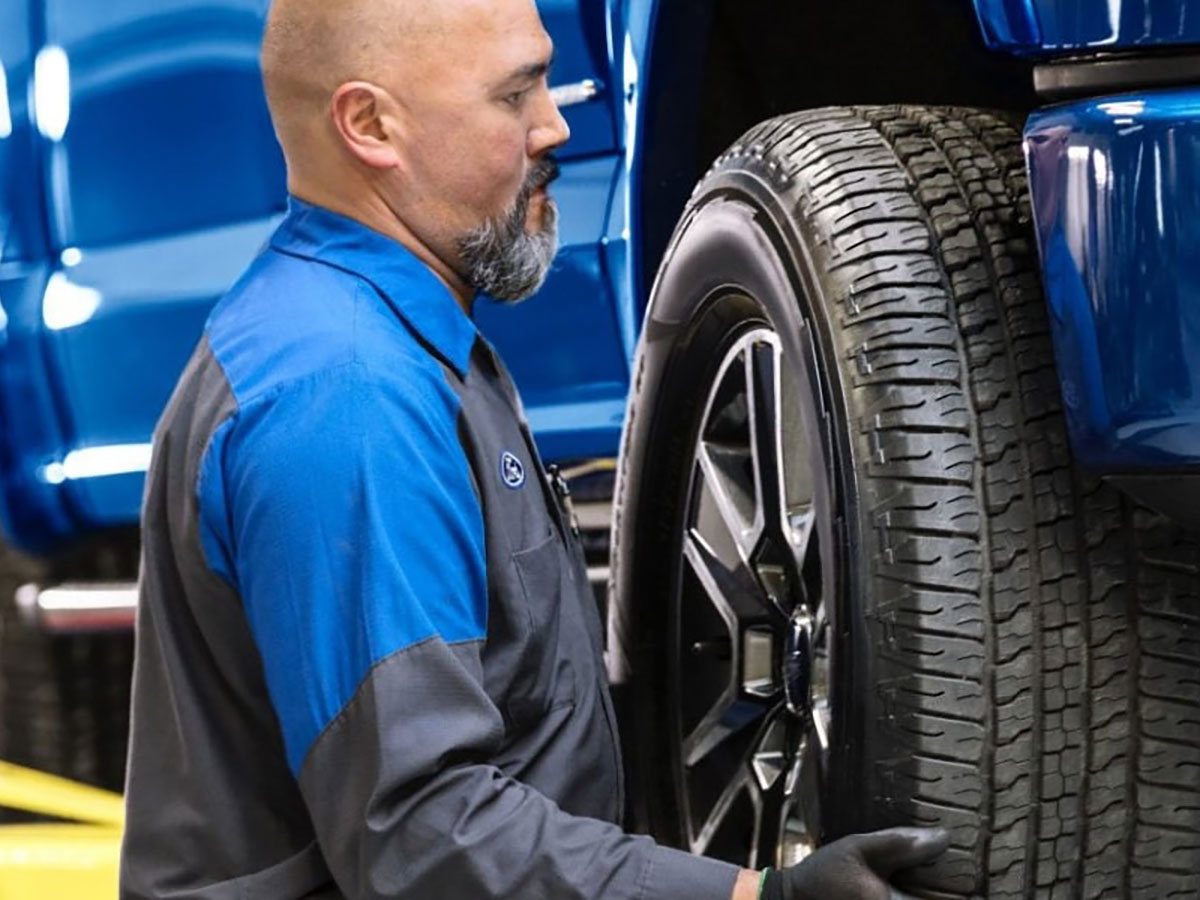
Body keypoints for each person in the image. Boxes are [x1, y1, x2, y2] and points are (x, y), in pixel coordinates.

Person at [118, 0, 950, 897]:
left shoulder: (390, 342)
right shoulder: (346, 399)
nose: (556, 123)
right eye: (515, 95)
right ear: (370, 125)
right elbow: (421, 834)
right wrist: (757, 897)